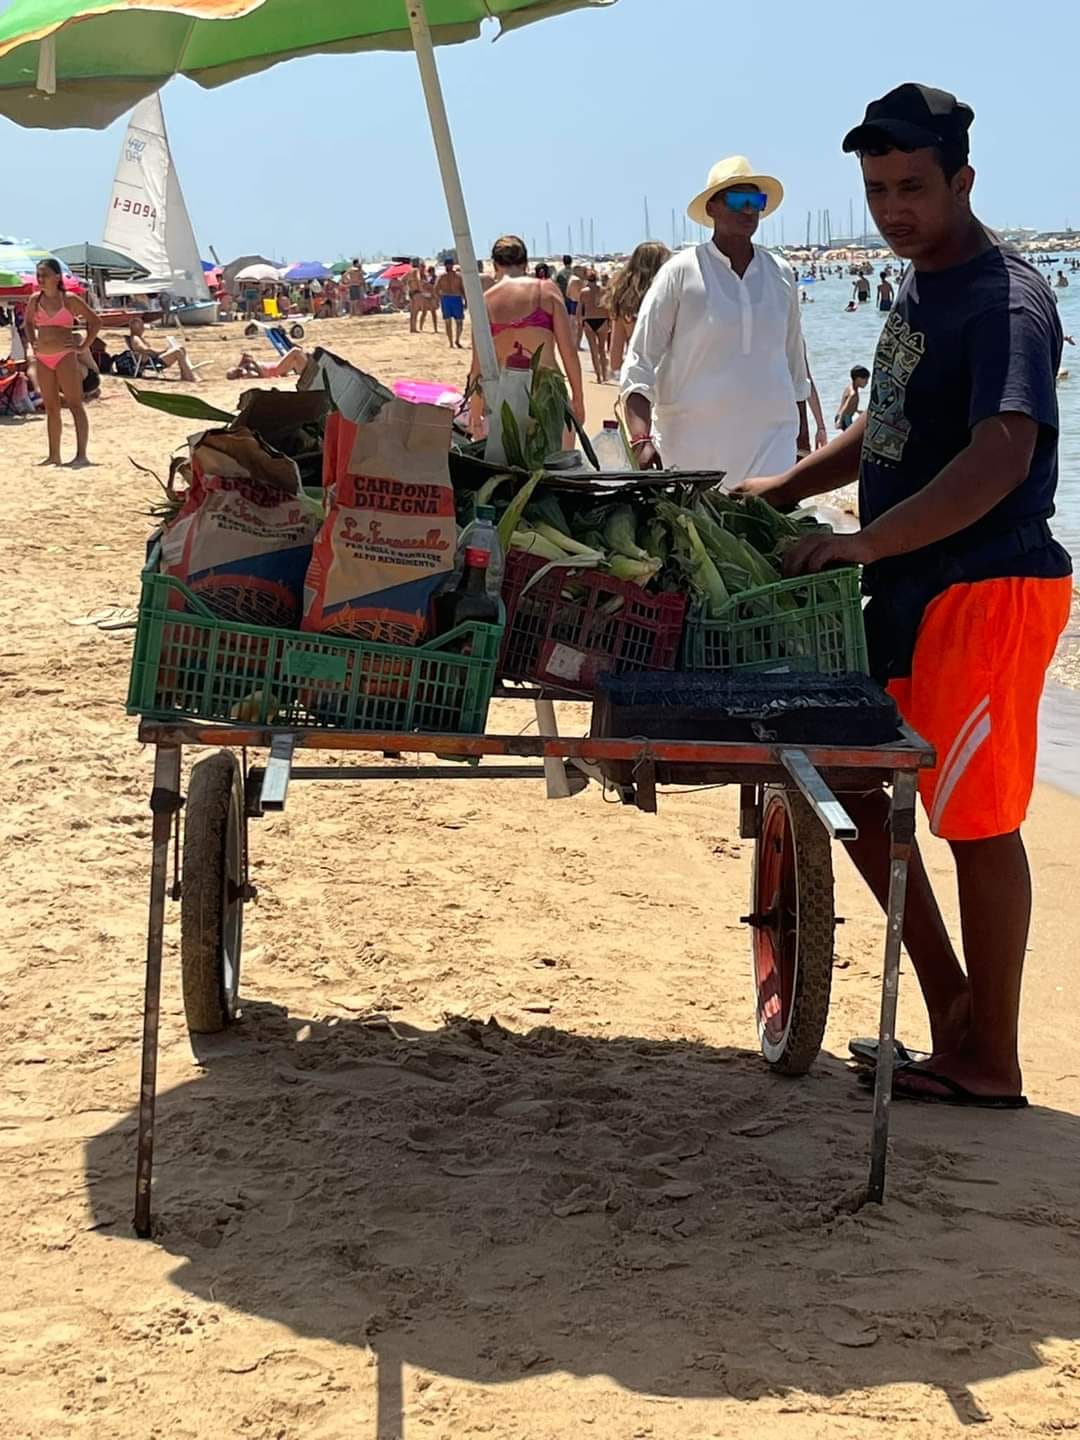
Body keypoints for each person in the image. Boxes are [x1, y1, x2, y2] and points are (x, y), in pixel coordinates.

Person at [740, 83, 1072, 1107]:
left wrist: (870, 539)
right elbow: (886, 424)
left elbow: (1002, 455)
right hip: (905, 588)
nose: (893, 210)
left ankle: (992, 1057)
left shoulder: (1004, 299)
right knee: (859, 790)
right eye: (878, 190)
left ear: (963, 181)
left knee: (975, 822)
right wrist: (792, 487)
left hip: (987, 586)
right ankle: (954, 1013)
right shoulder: (920, 284)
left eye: (913, 189)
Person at [621, 155, 810, 482]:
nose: (749, 209)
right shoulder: (680, 272)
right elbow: (640, 359)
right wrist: (640, 439)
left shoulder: (781, 273)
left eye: (757, 200)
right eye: (738, 199)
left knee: (769, 532)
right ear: (711, 208)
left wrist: (803, 443)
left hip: (772, 447)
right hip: (690, 449)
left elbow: (794, 364)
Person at [466, 234, 584, 434]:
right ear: (526, 264)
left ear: (494, 266)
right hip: (547, 393)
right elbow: (569, 351)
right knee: (557, 463)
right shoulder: (546, 290)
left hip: (505, 397)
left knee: (508, 464)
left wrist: (475, 412)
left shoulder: (485, 301)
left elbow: (478, 365)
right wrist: (578, 399)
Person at [23, 259, 101, 467]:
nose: (41, 279)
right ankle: (54, 455)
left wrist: (83, 346)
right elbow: (28, 323)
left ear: (57, 277)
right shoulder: (34, 300)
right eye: (39, 275)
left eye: (45, 275)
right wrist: (32, 341)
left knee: (75, 404)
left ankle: (81, 454)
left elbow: (95, 321)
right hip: (43, 358)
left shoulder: (69, 299)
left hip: (65, 356)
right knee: (51, 407)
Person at [607, 241, 671, 378]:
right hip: (674, 381)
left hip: (641, 382)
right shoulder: (672, 298)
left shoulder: (624, 305)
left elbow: (615, 361)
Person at [127, 315, 200, 382]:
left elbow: (147, 350)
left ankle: (185, 376)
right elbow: (146, 350)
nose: (143, 329)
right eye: (141, 327)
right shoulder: (135, 339)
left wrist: (162, 351)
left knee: (181, 348)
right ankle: (191, 377)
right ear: (137, 328)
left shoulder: (138, 338)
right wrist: (161, 352)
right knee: (177, 352)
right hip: (152, 361)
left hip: (153, 358)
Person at [578, 268, 610, 382]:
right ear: (596, 279)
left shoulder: (583, 292)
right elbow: (607, 307)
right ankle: (605, 374)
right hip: (602, 320)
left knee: (593, 350)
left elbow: (579, 309)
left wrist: (579, 323)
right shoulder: (603, 290)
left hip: (589, 320)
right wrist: (609, 321)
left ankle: (598, 377)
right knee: (602, 349)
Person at [435, 259, 466, 349]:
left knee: (458, 322)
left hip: (453, 298)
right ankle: (452, 342)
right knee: (450, 322)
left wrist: (465, 300)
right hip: (449, 298)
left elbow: (463, 289)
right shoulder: (444, 277)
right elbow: (436, 289)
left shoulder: (456, 277)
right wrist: (439, 298)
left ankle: (456, 340)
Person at [226, 347, 307, 380]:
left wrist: (244, 360)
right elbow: (262, 375)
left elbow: (246, 358)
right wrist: (254, 362)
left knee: (298, 359)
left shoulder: (243, 367)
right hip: (276, 370)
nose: (236, 369)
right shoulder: (246, 374)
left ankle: (303, 371)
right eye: (234, 371)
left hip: (276, 366)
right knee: (296, 351)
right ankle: (309, 369)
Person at [835, 363, 871, 429]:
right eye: (865, 380)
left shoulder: (850, 387)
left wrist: (857, 411)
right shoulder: (853, 393)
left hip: (844, 416)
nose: (867, 382)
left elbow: (851, 405)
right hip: (844, 418)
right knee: (854, 436)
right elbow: (845, 407)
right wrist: (839, 421)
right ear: (857, 379)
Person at [406, 259, 427, 333]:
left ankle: (412, 328)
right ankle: (414, 328)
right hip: (417, 292)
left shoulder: (409, 272)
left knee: (412, 312)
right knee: (416, 311)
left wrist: (409, 286)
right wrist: (421, 290)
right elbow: (418, 281)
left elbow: (403, 280)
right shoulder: (416, 271)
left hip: (411, 292)